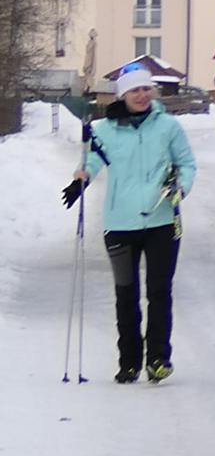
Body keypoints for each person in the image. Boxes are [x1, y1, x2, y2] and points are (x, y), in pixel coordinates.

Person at [61, 60, 195, 386]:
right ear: (123, 94)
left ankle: (158, 358)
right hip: (119, 225)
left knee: (159, 292)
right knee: (126, 294)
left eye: (146, 88)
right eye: (135, 89)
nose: (141, 95)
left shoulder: (168, 127)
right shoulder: (105, 130)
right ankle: (129, 362)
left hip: (162, 221)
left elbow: (187, 164)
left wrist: (180, 187)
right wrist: (82, 177)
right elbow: (94, 158)